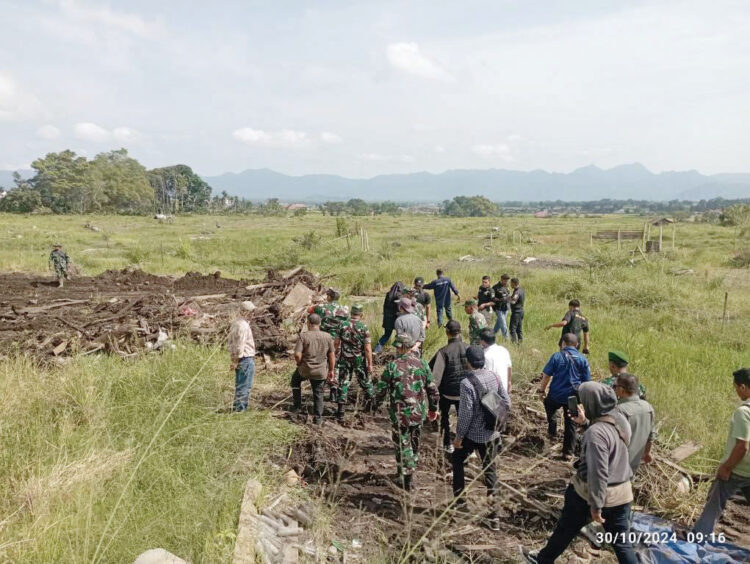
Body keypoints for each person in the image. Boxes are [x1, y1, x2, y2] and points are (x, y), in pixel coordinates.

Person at [520, 382, 637, 564]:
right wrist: (585, 422)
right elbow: (608, 440)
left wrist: (596, 506)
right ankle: (543, 558)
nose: (580, 405)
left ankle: (543, 559)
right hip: (623, 494)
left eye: (583, 401)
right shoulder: (617, 420)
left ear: (591, 404)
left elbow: (598, 472)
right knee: (622, 544)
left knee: (566, 529)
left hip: (591, 495)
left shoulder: (595, 434)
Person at [452, 345, 511, 531]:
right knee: (490, 472)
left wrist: (459, 437)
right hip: (492, 433)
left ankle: (460, 505)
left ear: (467, 362)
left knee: (457, 460)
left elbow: (466, 414)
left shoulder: (466, 383)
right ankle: (494, 517)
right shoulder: (494, 376)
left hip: (473, 435)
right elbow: (507, 401)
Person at [375, 333, 439, 491]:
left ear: (403, 347)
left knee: (401, 444)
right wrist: (433, 409)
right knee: (414, 443)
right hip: (418, 412)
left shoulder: (392, 366)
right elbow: (433, 390)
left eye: (397, 346)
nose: (396, 349)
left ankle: (406, 477)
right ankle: (404, 473)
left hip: (399, 414)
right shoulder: (423, 364)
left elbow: (381, 389)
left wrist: (375, 404)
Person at [692, 368, 750, 536]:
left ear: (744, 387)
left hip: (738, 469)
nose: (737, 392)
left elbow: (742, 446)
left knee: (714, 501)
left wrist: (726, 467)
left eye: (737, 388)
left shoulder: (743, 412)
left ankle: (699, 537)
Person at [538, 333, 591, 460]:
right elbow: (586, 383)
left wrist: (542, 390)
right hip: (573, 397)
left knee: (549, 405)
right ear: (577, 345)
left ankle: (552, 429)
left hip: (556, 394)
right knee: (571, 423)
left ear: (563, 343)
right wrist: (583, 400)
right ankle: (568, 453)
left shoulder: (557, 356)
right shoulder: (583, 359)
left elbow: (546, 376)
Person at [428, 320, 468, 453]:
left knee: (444, 416)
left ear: (447, 333)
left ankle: (447, 443)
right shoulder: (468, 349)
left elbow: (436, 376)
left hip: (447, 392)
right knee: (463, 417)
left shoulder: (443, 352)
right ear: (460, 332)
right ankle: (463, 442)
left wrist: (432, 395)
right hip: (464, 392)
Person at [291, 314, 336, 424]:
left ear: (308, 323)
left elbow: (297, 354)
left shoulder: (303, 336)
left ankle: (297, 407)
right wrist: (331, 370)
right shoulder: (328, 336)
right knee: (318, 393)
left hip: (305, 369)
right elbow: (332, 356)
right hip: (320, 371)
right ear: (320, 323)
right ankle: (318, 418)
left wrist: (299, 363)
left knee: (295, 381)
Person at [335, 303, 375, 421]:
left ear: (351, 313)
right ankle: (371, 407)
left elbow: (336, 343)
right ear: (361, 314)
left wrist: (334, 355)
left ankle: (341, 412)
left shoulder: (342, 325)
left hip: (345, 358)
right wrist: (370, 364)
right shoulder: (363, 327)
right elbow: (367, 348)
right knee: (365, 381)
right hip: (359, 359)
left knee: (343, 382)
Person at [613, 373, 654, 473]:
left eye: (615, 386)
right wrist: (647, 453)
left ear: (622, 390)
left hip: (617, 466)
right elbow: (651, 436)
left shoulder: (619, 410)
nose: (614, 389)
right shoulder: (648, 407)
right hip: (634, 464)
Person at [227, 301, 257, 412]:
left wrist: (233, 359)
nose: (253, 314)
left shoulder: (235, 323)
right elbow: (240, 345)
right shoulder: (243, 326)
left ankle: (237, 408)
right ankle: (239, 410)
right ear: (245, 312)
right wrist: (235, 361)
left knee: (240, 385)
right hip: (245, 358)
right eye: (251, 312)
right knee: (245, 386)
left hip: (240, 358)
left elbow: (230, 343)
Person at [479, 328, 512, 394]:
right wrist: (509, 383)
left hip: (491, 396)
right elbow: (509, 368)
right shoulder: (504, 350)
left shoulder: (484, 355)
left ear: (482, 341)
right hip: (504, 390)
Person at [375, 281, 404, 353]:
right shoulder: (399, 295)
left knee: (386, 335)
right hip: (396, 320)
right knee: (400, 336)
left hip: (387, 319)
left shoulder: (388, 294)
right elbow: (399, 309)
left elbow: (384, 307)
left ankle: (376, 350)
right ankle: (398, 352)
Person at [491, 274, 511, 339]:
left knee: (499, 323)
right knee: (503, 324)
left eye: (507, 281)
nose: (507, 282)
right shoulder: (495, 287)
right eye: (505, 281)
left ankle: (492, 334)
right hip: (499, 308)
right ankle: (506, 338)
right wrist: (499, 300)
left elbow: (508, 295)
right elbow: (492, 298)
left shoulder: (507, 287)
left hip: (506, 307)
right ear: (502, 280)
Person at [508, 278, 525, 344]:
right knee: (519, 328)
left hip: (516, 312)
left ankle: (514, 343)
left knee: (512, 328)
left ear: (514, 283)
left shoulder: (517, 292)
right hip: (521, 311)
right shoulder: (521, 290)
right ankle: (520, 342)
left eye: (511, 283)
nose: (510, 284)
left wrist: (507, 300)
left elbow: (513, 302)